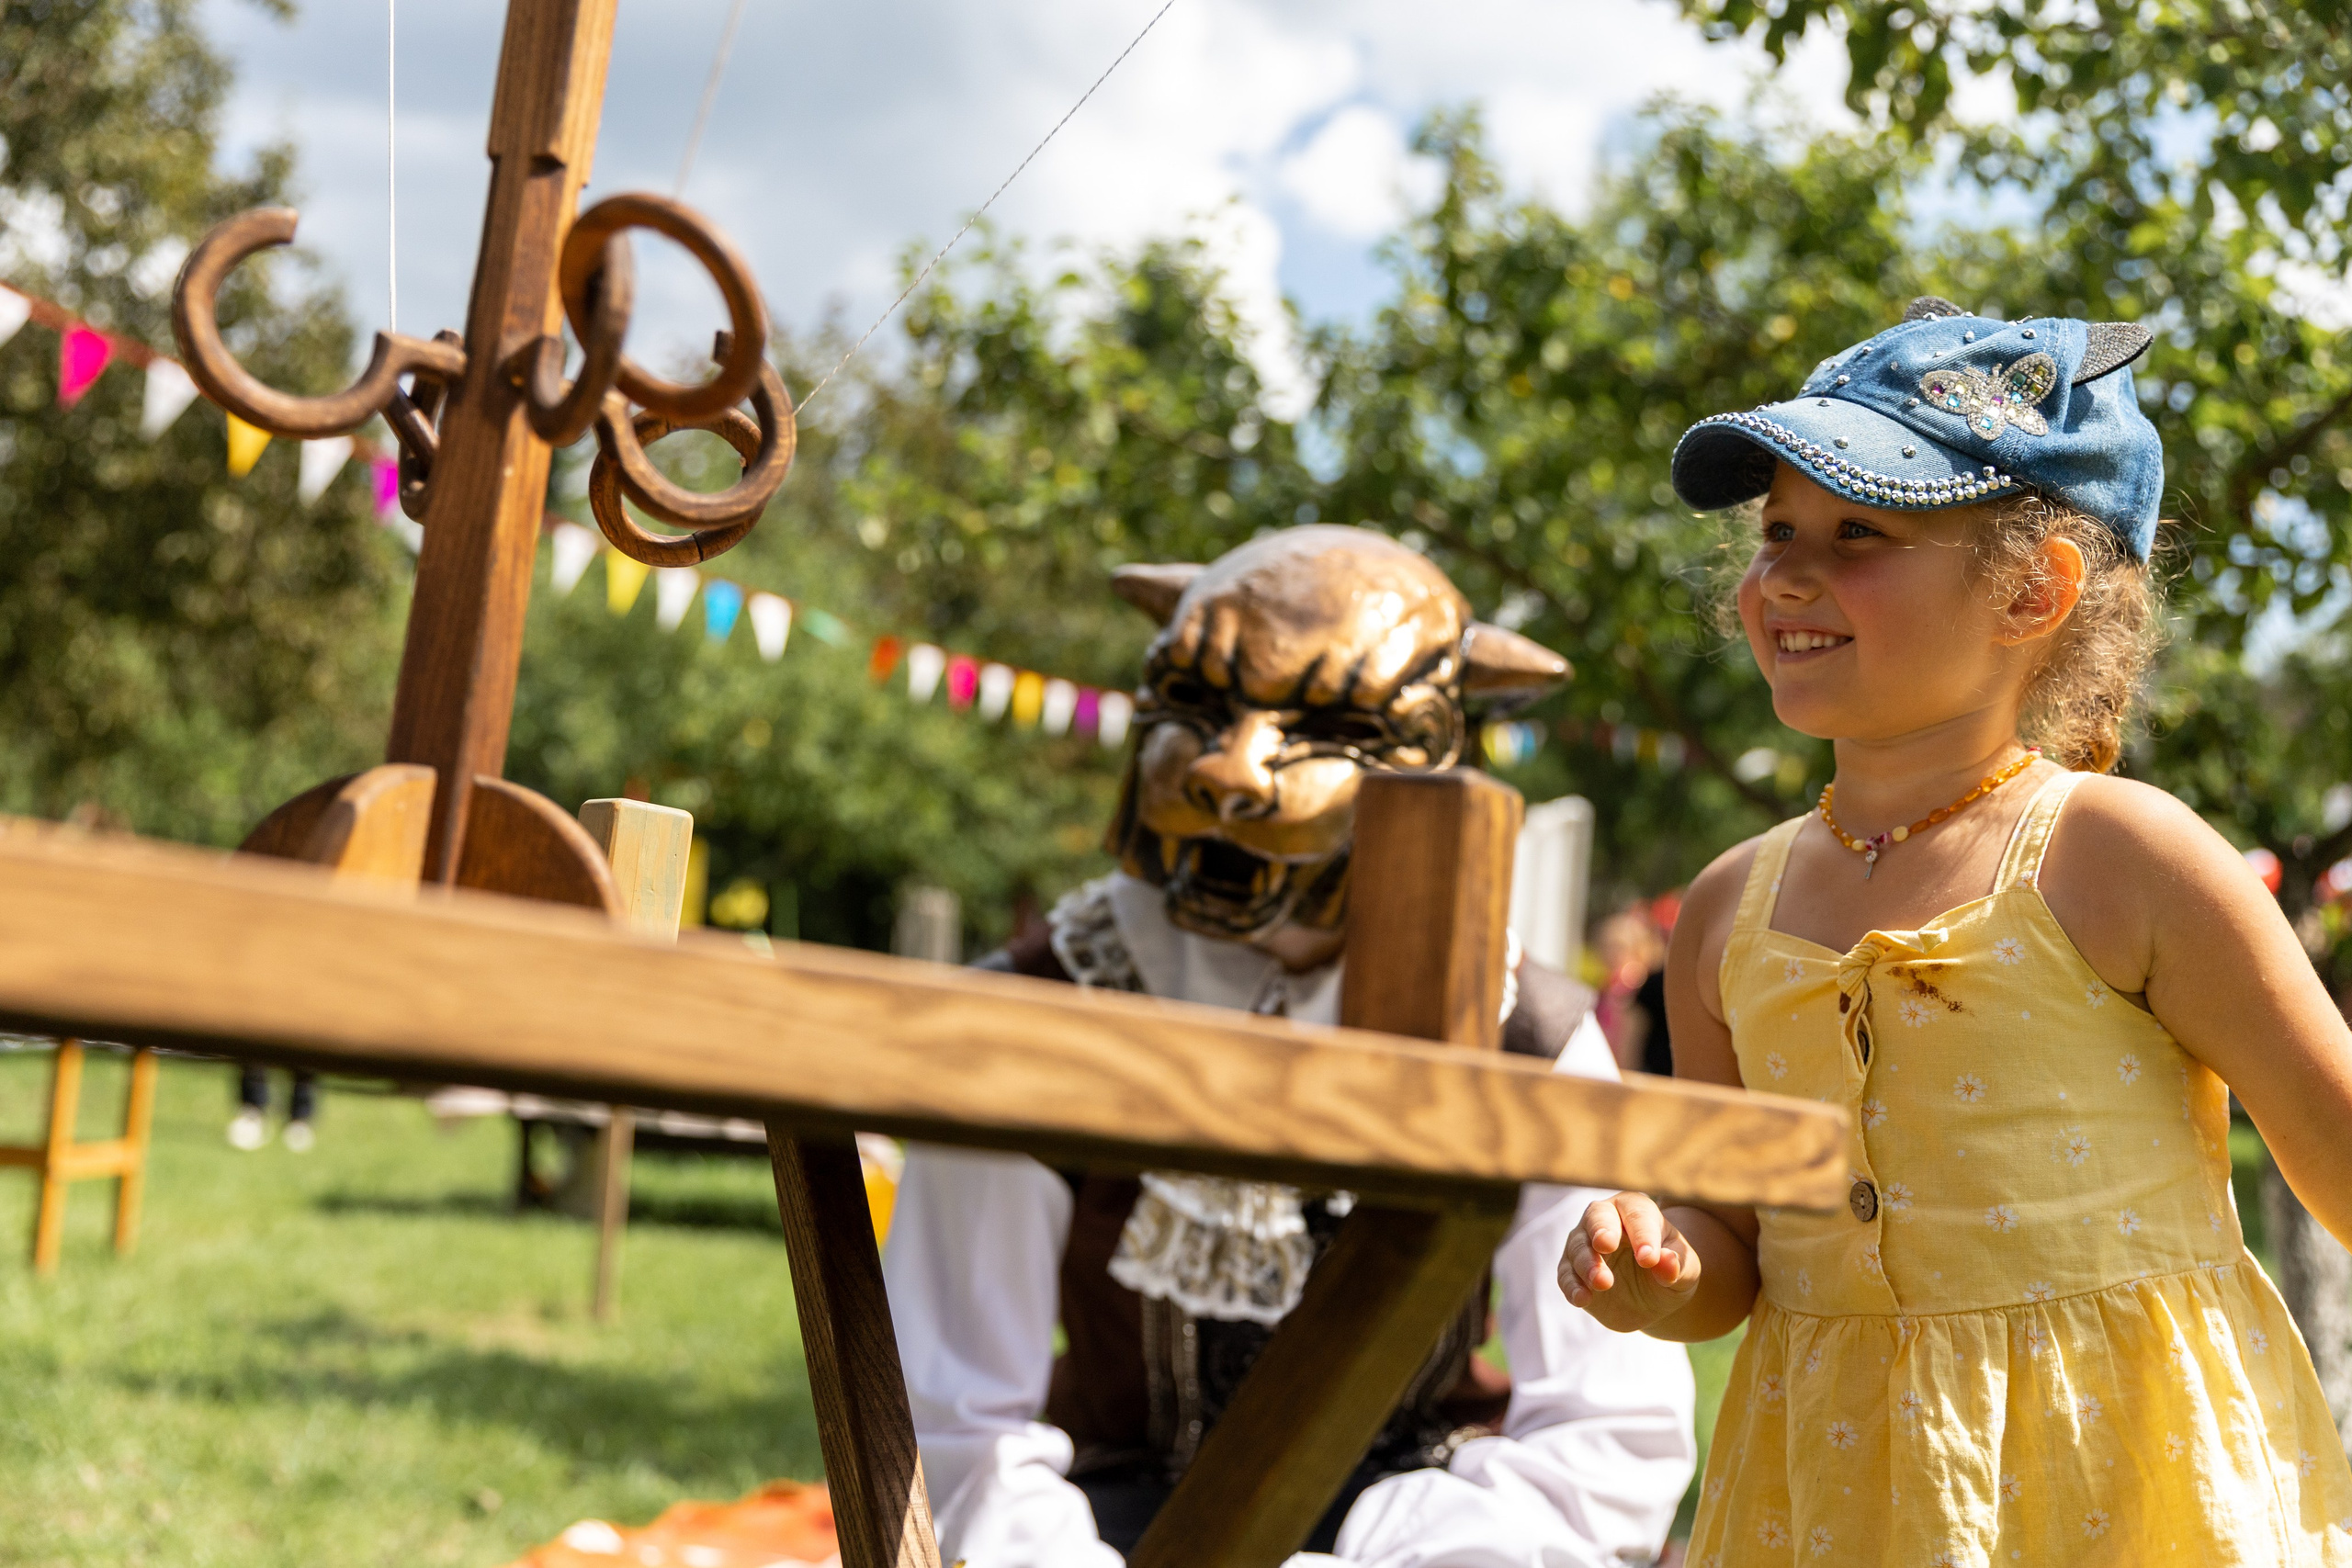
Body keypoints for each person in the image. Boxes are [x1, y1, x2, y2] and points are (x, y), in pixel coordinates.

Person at [1558, 298, 2352, 1563]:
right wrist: (1661, 1264)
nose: (1788, 573)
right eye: (1777, 529)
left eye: (1859, 529)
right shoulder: (1727, 912)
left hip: (2120, 1485)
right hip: (1832, 1493)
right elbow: (1735, 1249)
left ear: (2034, 589)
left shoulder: (2123, 855)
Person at [886, 525, 1698, 1567]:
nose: (1231, 772)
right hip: (1100, 1533)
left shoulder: (1528, 1032)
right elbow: (951, 1417)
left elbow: (1606, 1428)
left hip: (1429, 1535)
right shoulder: (1042, 1006)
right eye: (1198, 704)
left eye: (1328, 725)